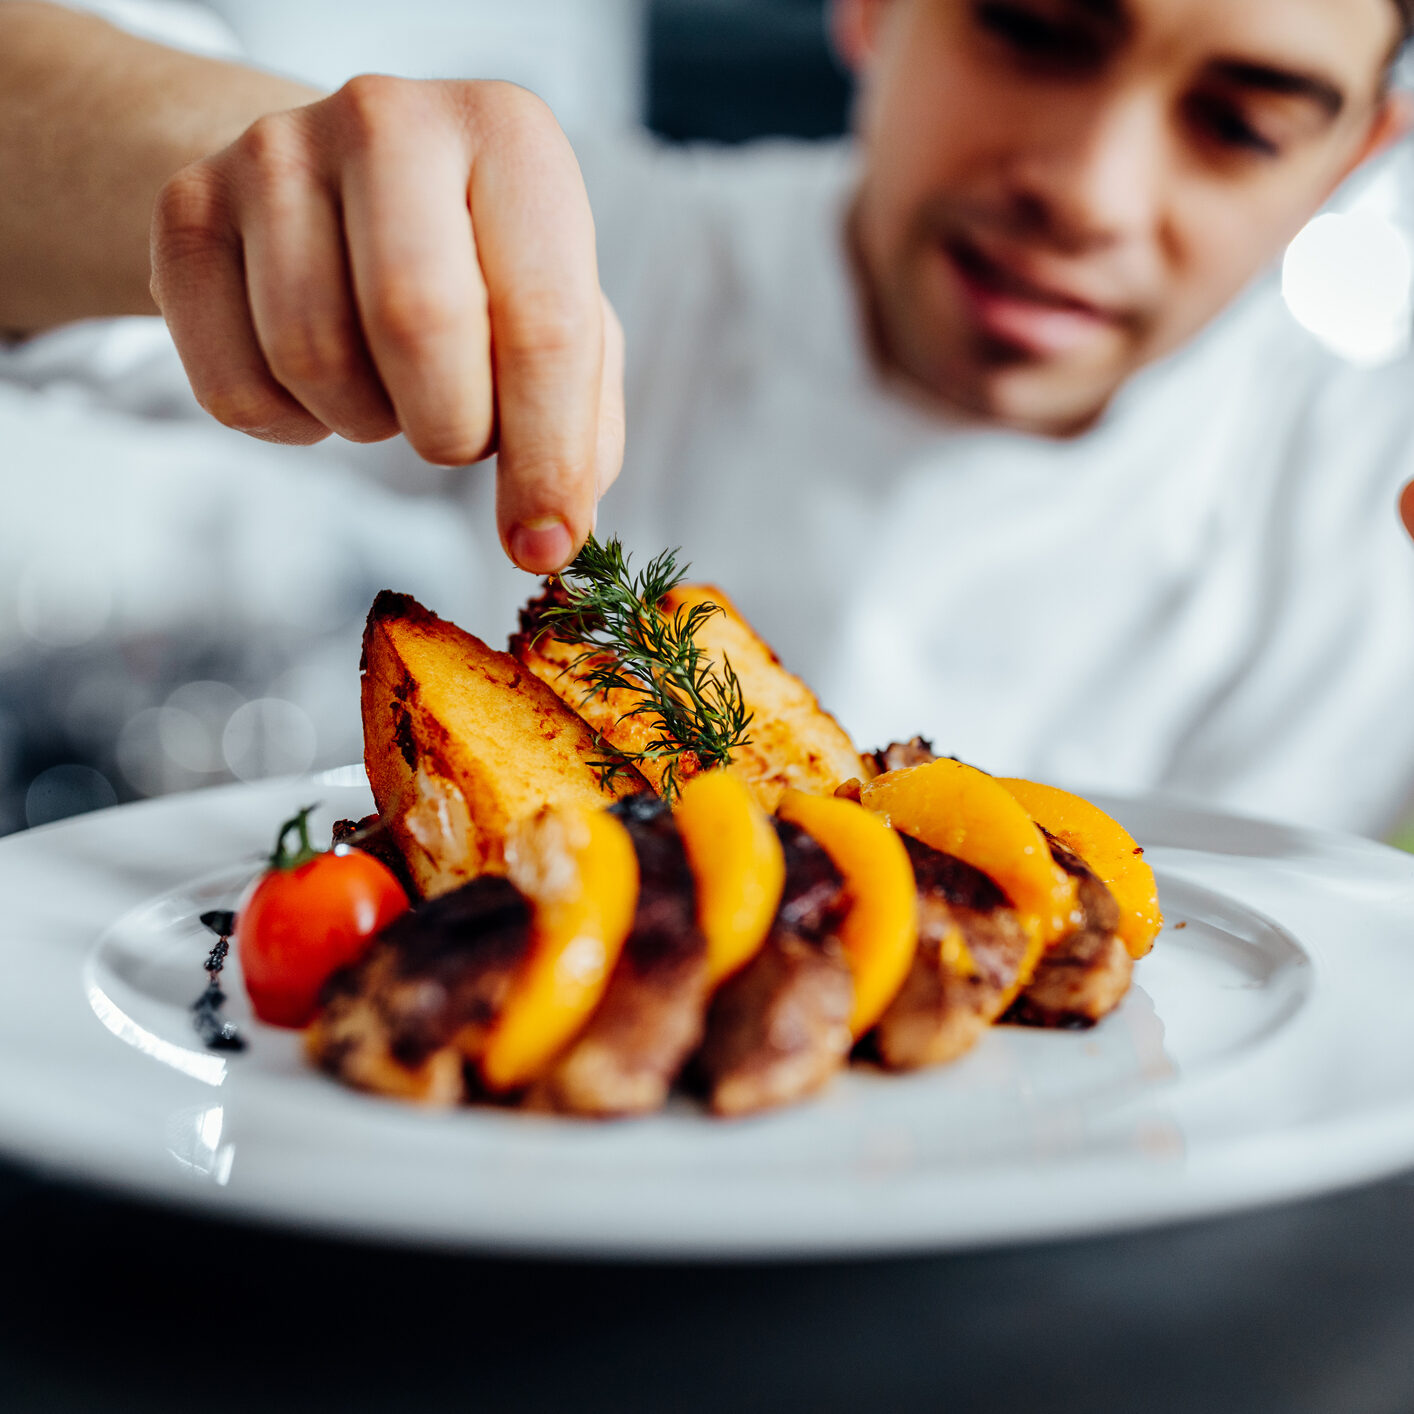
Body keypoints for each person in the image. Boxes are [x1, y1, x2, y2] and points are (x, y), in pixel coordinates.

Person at [3, 0, 1414, 835]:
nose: (1089, 192)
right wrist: (243, 166)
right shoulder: (623, 254)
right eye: (1033, 31)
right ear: (872, 9)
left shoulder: (1371, 479)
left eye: (1240, 122)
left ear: (1352, 159)